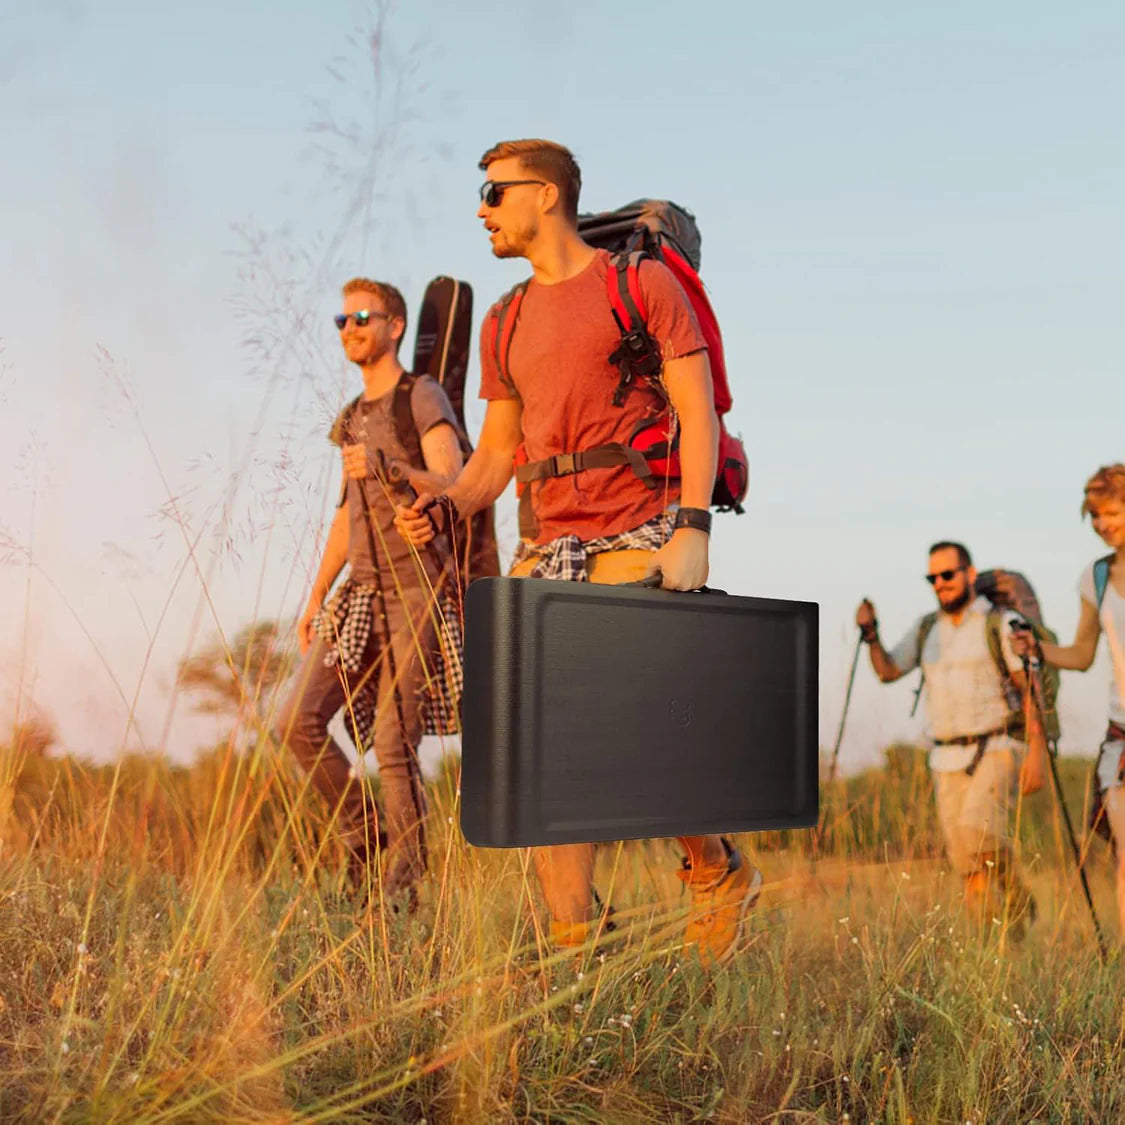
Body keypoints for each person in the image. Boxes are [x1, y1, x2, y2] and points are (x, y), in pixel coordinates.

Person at [395, 138, 762, 968]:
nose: (481, 209)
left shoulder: (641, 285)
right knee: (541, 757)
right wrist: (445, 502)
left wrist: (693, 527)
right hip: (548, 541)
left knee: (631, 731)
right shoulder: (505, 318)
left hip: (640, 525)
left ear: (547, 195)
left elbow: (697, 413)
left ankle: (713, 867)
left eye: (494, 192)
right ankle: (572, 950)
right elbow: (494, 458)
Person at [274, 278, 464, 911]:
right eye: (341, 318)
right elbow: (342, 513)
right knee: (296, 722)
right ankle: (366, 832)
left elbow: (452, 480)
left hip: (417, 586)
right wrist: (314, 596)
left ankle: (403, 894)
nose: (349, 327)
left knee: (390, 740)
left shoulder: (421, 395)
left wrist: (389, 470)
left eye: (362, 316)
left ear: (396, 325)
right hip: (359, 590)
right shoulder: (351, 417)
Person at [855, 540, 1048, 934]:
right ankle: (989, 949)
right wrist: (871, 634)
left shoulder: (999, 621)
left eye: (947, 574)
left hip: (997, 744)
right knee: (965, 863)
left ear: (969, 574)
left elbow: (1029, 687)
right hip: (944, 756)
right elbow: (890, 670)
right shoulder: (928, 628)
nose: (940, 583)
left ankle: (1017, 899)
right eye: (933, 577)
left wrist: (1038, 753)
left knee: (981, 832)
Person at [1010, 464, 1125, 939]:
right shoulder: (1095, 577)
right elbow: (1080, 654)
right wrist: (1037, 648)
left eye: (1111, 512)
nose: (1101, 524)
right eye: (1095, 516)